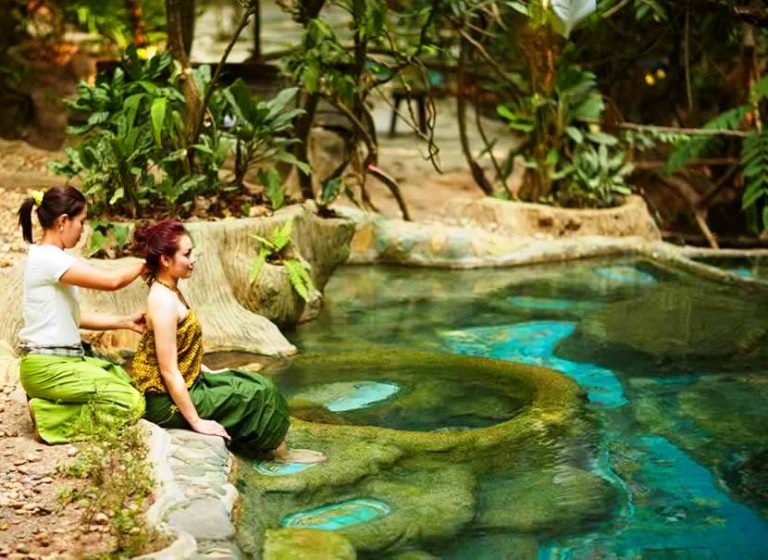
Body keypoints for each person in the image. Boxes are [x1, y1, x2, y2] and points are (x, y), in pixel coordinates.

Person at [130, 220, 324, 462]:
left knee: (255, 382)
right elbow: (168, 370)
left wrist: (209, 372)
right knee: (256, 394)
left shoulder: (169, 289)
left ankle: (261, 446)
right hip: (163, 401)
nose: (193, 259)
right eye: (187, 254)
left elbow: (180, 353)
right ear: (166, 260)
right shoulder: (163, 301)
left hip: (187, 382)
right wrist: (197, 422)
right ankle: (282, 455)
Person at [16, 186, 146, 444]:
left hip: (60, 363)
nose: (83, 230)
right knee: (132, 403)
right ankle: (49, 416)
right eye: (82, 222)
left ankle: (51, 403)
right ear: (63, 221)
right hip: (48, 367)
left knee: (122, 378)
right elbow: (111, 282)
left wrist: (124, 322)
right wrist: (146, 264)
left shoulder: (47, 256)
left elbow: (73, 317)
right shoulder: (50, 259)